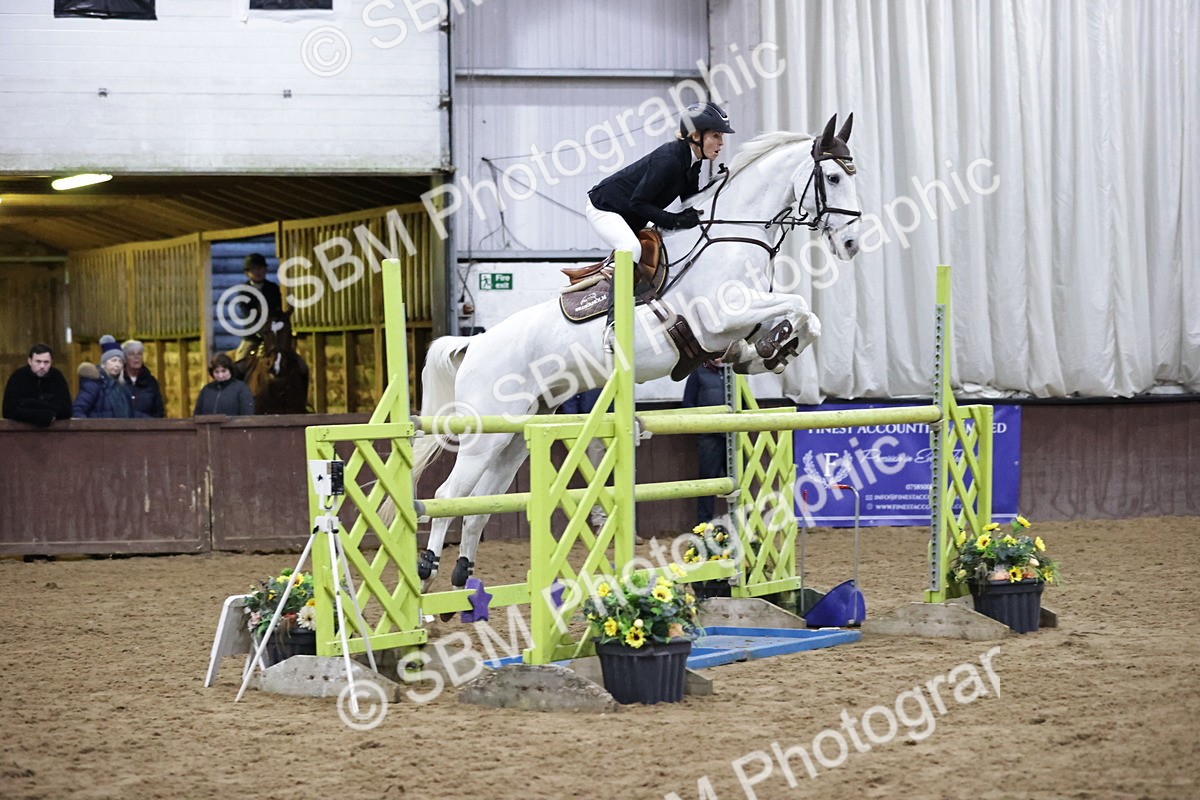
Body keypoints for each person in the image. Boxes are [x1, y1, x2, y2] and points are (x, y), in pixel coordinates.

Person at [586, 101, 734, 272]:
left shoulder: (693, 160)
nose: (721, 142)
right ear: (695, 136)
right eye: (716, 136)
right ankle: (617, 299)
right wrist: (674, 221)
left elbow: (689, 200)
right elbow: (638, 203)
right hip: (605, 207)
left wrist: (717, 187)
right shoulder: (669, 160)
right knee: (631, 248)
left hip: (632, 213)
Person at [682, 361, 728, 524]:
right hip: (709, 436)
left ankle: (743, 522)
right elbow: (688, 402)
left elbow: (743, 402)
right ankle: (704, 525)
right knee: (707, 482)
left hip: (732, 435)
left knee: (739, 481)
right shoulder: (698, 372)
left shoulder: (735, 372)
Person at [559, 387, 608, 530]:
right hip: (593, 422)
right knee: (596, 475)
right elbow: (570, 394)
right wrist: (572, 424)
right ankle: (600, 521)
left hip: (617, 419)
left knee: (622, 476)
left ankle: (625, 524)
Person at [3, 343, 72, 427]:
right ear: (30, 361)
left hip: (54, 434)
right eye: (38, 361)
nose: (42, 366)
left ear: (51, 362)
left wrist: (28, 404)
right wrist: (46, 415)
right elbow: (8, 411)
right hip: (22, 433)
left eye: (46, 362)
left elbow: (67, 410)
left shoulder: (57, 377)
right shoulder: (18, 377)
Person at [72, 335, 134, 419]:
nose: (117, 365)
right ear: (104, 363)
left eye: (120, 361)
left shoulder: (122, 387)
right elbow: (79, 409)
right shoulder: (94, 383)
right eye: (113, 360)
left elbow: (131, 413)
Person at [237, 253, 284, 341]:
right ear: (247, 273)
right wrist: (259, 330)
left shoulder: (273, 288)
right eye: (254, 269)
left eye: (261, 268)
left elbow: (278, 309)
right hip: (253, 336)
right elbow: (247, 315)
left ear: (266, 270)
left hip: (274, 333)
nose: (258, 272)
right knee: (242, 354)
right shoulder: (244, 291)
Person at [121, 339, 165, 418]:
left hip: (147, 428)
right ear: (124, 358)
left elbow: (159, 411)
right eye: (131, 354)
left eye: (139, 354)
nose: (136, 357)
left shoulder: (151, 382)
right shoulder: (117, 381)